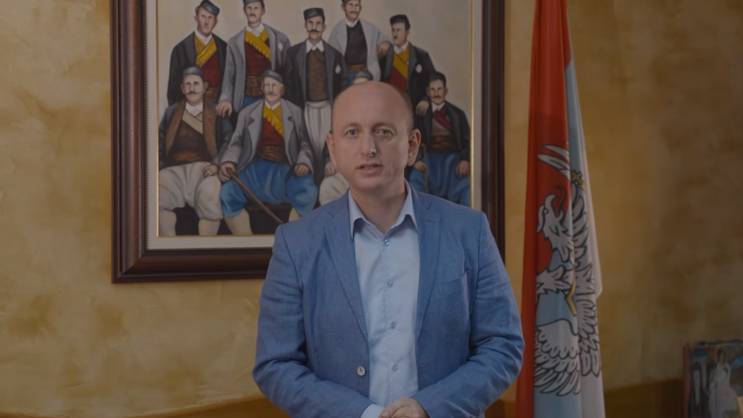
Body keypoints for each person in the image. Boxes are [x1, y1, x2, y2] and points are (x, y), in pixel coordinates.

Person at [254, 81, 523, 418]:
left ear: (411, 145)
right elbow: (275, 364)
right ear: (333, 149)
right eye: (352, 132)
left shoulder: (469, 231)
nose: (368, 148)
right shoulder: (296, 243)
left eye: (383, 132)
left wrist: (429, 408)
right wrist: (364, 415)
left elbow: (503, 347)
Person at [217, 70, 316, 235]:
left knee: (307, 189)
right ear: (262, 88)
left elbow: (305, 143)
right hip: (255, 170)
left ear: (282, 89)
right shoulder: (247, 112)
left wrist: (303, 162)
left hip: (285, 169)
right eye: (267, 85)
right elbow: (236, 142)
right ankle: (246, 242)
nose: (270, 89)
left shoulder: (295, 111)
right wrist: (229, 161)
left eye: (274, 85)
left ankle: (293, 237)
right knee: (228, 192)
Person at [159, 67, 232, 236]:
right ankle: (169, 247)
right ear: (182, 88)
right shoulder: (171, 112)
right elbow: (160, 142)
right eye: (188, 84)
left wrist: (216, 164)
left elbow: (229, 140)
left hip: (205, 169)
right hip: (174, 170)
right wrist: (160, 166)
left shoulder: (215, 111)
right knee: (159, 197)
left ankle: (206, 247)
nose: (192, 88)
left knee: (210, 197)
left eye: (196, 84)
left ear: (205, 87)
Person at [283, 7, 344, 182]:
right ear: (305, 25)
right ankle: (311, 185)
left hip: (327, 108)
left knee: (326, 146)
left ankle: (325, 185)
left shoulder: (334, 55)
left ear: (324, 27)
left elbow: (342, 86)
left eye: (318, 23)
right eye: (310, 23)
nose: (314, 27)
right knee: (308, 146)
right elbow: (288, 85)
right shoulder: (293, 54)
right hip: (305, 108)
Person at [217, 0, 291, 119]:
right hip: (246, 98)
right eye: (249, 8)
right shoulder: (234, 43)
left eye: (256, 8)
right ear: (244, 10)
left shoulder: (280, 39)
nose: (252, 11)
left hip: (272, 97)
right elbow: (229, 75)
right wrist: (225, 99)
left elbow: (287, 74)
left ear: (263, 10)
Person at [410, 72, 471, 206]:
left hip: (452, 162)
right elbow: (413, 139)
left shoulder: (458, 114)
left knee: (466, 187)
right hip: (428, 160)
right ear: (428, 92)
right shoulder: (421, 114)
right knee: (415, 180)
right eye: (432, 90)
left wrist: (465, 160)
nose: (436, 93)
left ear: (446, 91)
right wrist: (416, 160)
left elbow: (467, 141)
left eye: (439, 89)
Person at [166, 0, 227, 106]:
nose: (206, 22)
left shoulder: (223, 48)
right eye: (203, 16)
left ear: (215, 21)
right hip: (190, 108)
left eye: (210, 18)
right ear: (196, 18)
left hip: (217, 107)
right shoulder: (180, 49)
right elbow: (173, 91)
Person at [379, 14, 435, 112]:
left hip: (413, 109)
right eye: (393, 30)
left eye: (398, 30)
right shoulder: (384, 55)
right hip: (389, 107)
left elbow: (433, 81)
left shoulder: (421, 55)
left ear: (407, 32)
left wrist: (426, 100)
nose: (395, 34)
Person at [328, 0, 391, 84]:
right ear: (343, 7)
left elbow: (385, 39)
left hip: (365, 71)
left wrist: (386, 42)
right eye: (351, 5)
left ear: (360, 8)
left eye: (357, 5)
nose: (354, 9)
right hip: (344, 73)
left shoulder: (369, 28)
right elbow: (330, 55)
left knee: (359, 83)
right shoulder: (337, 30)